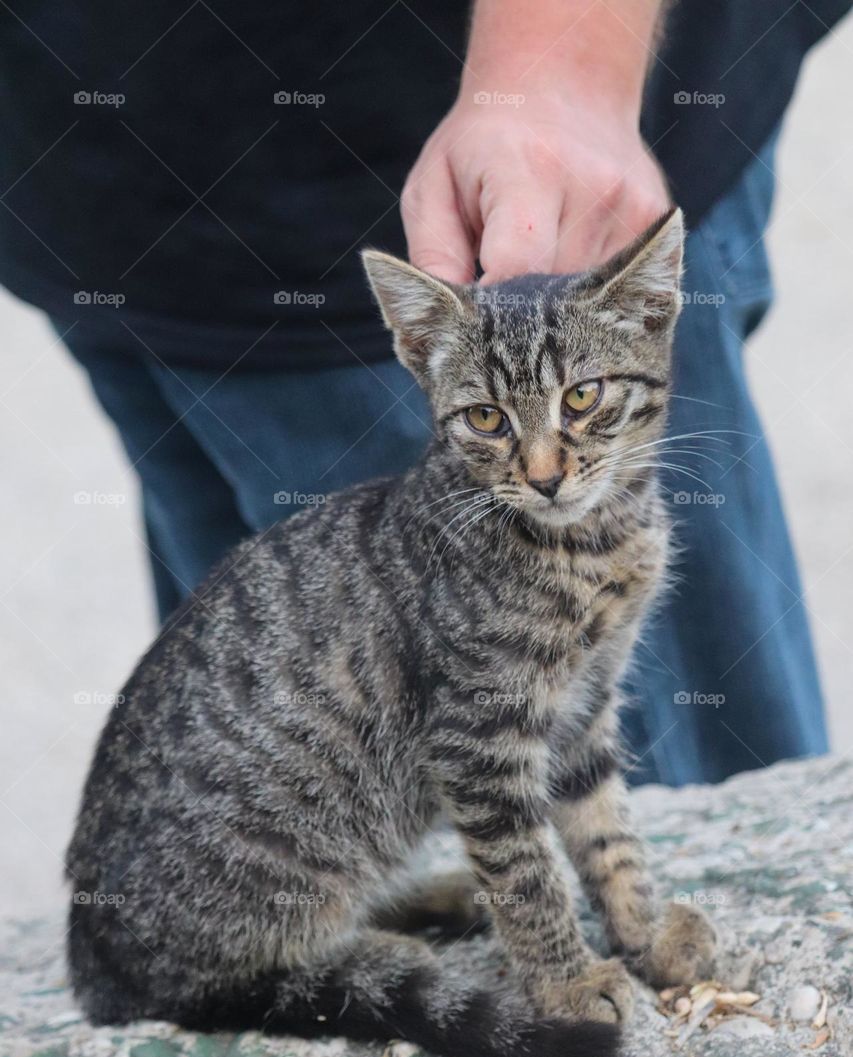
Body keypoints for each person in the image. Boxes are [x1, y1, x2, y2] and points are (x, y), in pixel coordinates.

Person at [0, 0, 848, 785]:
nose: (546, 466)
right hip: (99, 203)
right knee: (272, 754)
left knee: (663, 809)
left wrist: (560, 69)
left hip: (527, 177)